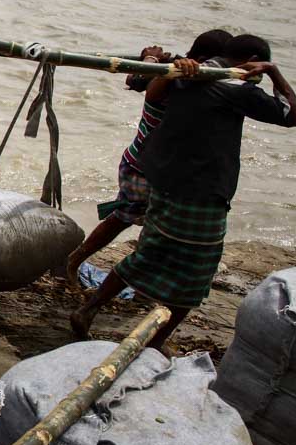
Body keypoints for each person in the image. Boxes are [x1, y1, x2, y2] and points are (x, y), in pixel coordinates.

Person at [71, 33, 296, 348]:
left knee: (147, 255)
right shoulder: (235, 89)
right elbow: (293, 116)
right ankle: (155, 341)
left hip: (164, 182)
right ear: (251, 64)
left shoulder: (184, 74)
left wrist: (166, 66)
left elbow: (145, 89)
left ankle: (90, 307)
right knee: (196, 276)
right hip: (202, 193)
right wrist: (274, 72)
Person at [65, 29, 232, 282]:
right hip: (144, 167)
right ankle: (75, 262)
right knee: (125, 219)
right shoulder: (181, 79)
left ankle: (127, 275)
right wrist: (153, 63)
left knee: (139, 221)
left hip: (154, 167)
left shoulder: (189, 78)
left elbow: (136, 79)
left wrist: (152, 61)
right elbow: (136, 81)